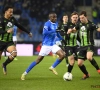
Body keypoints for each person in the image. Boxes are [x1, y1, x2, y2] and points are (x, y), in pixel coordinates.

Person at [21, 12, 65, 80]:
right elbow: (44, 33)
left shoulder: (56, 24)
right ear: (50, 18)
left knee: (62, 55)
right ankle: (24, 73)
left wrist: (63, 39)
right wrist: (54, 30)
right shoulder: (47, 24)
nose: (55, 18)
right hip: (46, 45)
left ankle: (52, 67)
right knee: (38, 60)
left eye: (56, 17)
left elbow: (57, 33)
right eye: (53, 17)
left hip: (53, 44)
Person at [67, 11, 100, 80]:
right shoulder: (79, 24)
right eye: (80, 18)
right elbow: (74, 30)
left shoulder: (91, 24)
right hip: (82, 46)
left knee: (89, 57)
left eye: (82, 18)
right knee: (79, 64)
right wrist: (70, 30)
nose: (81, 19)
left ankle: (98, 70)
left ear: (86, 17)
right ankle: (87, 74)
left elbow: (98, 29)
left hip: (89, 44)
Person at [0, 5, 32, 75]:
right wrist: (6, 31)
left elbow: (20, 26)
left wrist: (28, 32)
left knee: (14, 53)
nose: (11, 13)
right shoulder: (1, 20)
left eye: (12, 12)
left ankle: (4, 64)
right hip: (1, 41)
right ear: (6, 12)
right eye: (10, 12)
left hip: (9, 42)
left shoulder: (12, 19)